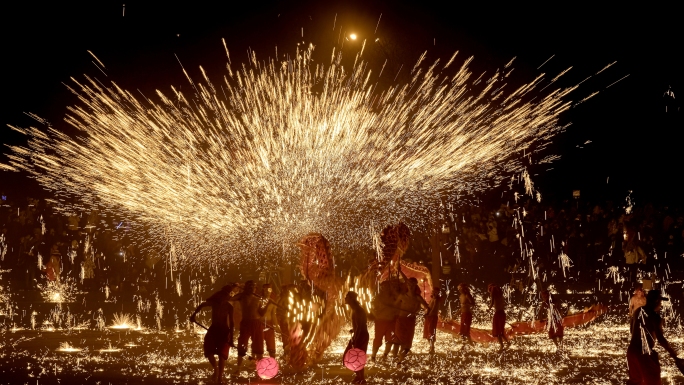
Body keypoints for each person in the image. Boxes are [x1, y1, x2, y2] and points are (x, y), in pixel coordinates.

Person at [627, 290, 684, 385]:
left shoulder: (638, 311)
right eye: (660, 302)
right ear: (656, 301)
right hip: (645, 354)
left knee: (635, 382)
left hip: (632, 352)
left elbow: (631, 330)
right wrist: (674, 356)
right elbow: (661, 339)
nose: (661, 304)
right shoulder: (655, 317)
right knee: (653, 382)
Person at [190, 284, 235, 384]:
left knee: (221, 355)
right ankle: (216, 369)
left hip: (224, 331)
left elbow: (232, 323)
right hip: (214, 329)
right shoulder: (214, 303)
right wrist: (193, 316)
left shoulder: (229, 307)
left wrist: (231, 338)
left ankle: (220, 377)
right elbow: (201, 305)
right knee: (209, 351)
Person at [393, 268, 428, 367]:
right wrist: (399, 271)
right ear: (407, 286)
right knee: (398, 340)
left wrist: (426, 313)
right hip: (401, 320)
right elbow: (394, 305)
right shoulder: (402, 296)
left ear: (415, 286)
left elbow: (427, 307)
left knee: (407, 343)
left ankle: (400, 360)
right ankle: (395, 357)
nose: (411, 287)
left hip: (410, 321)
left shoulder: (418, 298)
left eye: (413, 285)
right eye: (409, 285)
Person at [231, 280, 266, 373]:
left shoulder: (258, 298)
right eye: (249, 286)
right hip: (246, 323)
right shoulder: (241, 296)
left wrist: (268, 304)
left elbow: (261, 313)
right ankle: (238, 368)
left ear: (255, 288)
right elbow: (230, 298)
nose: (251, 288)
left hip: (257, 323)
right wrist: (233, 288)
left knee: (258, 347)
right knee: (242, 344)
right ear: (246, 287)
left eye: (253, 287)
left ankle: (260, 369)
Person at [344, 291, 369, 384]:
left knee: (357, 357)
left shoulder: (358, 310)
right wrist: (353, 330)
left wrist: (356, 338)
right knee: (352, 355)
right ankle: (359, 376)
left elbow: (360, 326)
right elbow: (358, 325)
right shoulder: (355, 309)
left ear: (351, 299)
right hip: (359, 334)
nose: (345, 298)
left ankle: (362, 378)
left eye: (347, 296)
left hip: (361, 336)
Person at [370, 280, 399, 361]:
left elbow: (398, 304)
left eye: (387, 286)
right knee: (378, 339)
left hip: (391, 321)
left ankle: (385, 355)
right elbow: (373, 308)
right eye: (383, 287)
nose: (385, 288)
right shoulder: (378, 298)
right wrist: (376, 313)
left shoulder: (393, 297)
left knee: (390, 339)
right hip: (380, 321)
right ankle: (373, 356)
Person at [488, 283, 510, 351]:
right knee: (501, 331)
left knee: (497, 331)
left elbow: (491, 303)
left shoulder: (493, 294)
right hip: (502, 313)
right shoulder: (501, 295)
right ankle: (508, 343)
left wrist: (488, 309)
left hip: (498, 314)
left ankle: (502, 346)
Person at [422, 287, 443, 354]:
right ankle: (431, 347)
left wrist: (428, 314)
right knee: (428, 332)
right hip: (429, 317)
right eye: (433, 291)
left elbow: (433, 309)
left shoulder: (436, 300)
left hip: (432, 317)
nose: (433, 292)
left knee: (431, 332)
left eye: (435, 292)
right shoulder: (432, 299)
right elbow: (429, 308)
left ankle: (432, 347)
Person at [261, 283, 279, 358]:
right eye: (266, 289)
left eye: (269, 289)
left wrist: (276, 326)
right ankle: (256, 361)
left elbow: (273, 315)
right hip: (260, 324)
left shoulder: (272, 302)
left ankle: (273, 363)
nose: (268, 291)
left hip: (269, 324)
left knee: (271, 345)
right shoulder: (259, 300)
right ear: (263, 290)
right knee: (258, 345)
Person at [276, 284, 293, 358]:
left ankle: (290, 351)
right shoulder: (281, 298)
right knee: (285, 336)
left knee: (291, 335)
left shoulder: (291, 298)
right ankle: (286, 352)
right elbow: (277, 308)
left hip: (291, 320)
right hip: (284, 320)